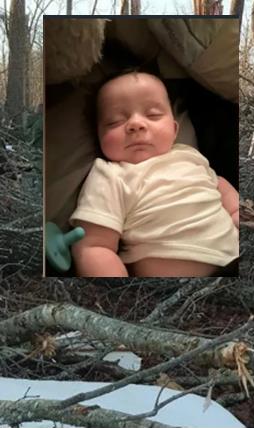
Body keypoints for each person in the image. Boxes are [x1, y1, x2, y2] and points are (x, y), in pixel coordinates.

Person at [70, 71, 238, 277]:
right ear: (98, 135)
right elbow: (94, 247)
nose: (136, 124)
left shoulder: (189, 155)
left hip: (235, 256)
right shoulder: (110, 175)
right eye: (114, 121)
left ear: (175, 129)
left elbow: (219, 184)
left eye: (153, 115)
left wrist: (236, 212)